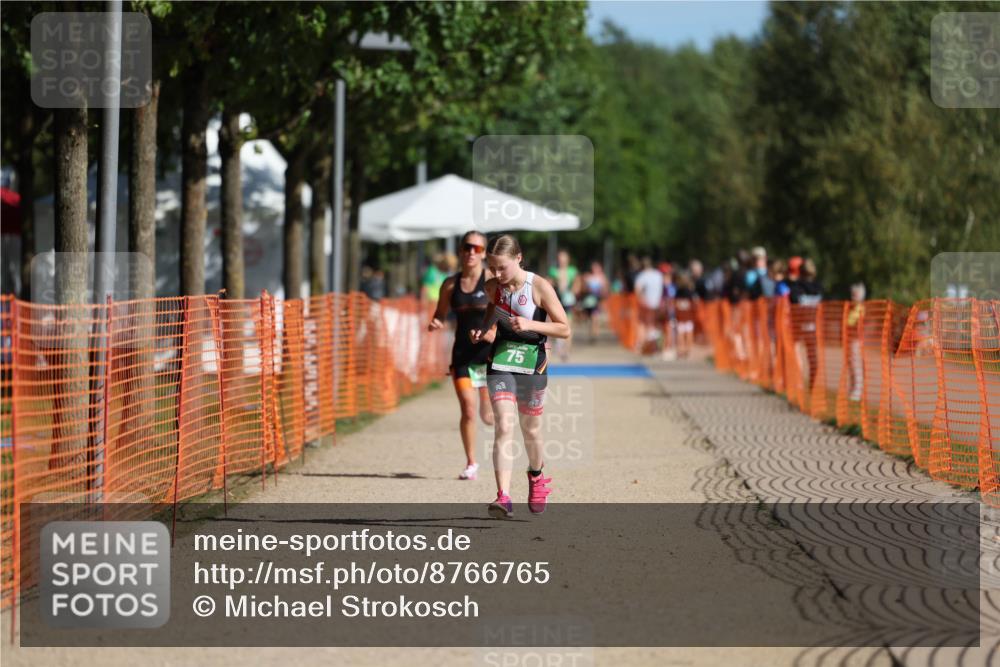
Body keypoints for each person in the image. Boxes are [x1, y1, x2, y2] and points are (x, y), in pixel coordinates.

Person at [470, 234, 571, 519]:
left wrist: (530, 324)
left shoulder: (539, 287)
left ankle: (536, 475)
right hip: (501, 360)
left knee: (531, 430)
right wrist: (483, 331)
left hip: (532, 363)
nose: (497, 274)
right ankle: (503, 496)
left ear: (519, 258)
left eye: (502, 267)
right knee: (504, 425)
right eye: (492, 268)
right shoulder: (493, 287)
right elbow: (492, 314)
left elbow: (564, 329)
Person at [428, 231, 496, 481]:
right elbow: (440, 314)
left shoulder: (492, 280)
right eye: (467, 247)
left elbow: (505, 312)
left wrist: (493, 332)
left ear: (484, 254)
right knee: (468, 409)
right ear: (460, 250)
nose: (471, 253)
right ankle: (471, 463)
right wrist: (436, 322)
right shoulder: (450, 285)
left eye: (477, 249)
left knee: (488, 417)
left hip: (488, 356)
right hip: (462, 356)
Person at [548, 250, 580, 362]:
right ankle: (550, 349)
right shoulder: (553, 271)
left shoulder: (572, 271)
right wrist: (557, 283)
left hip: (568, 301)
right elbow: (548, 284)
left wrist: (572, 292)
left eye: (564, 258)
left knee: (568, 326)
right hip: (556, 301)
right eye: (560, 258)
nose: (562, 260)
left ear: (568, 259)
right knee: (551, 324)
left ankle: (566, 351)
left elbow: (577, 285)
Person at [633, 257, 663, 354]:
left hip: (646, 304)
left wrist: (642, 300)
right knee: (654, 325)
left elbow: (637, 290)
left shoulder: (642, 275)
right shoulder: (658, 274)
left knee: (644, 324)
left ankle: (643, 345)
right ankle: (653, 347)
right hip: (657, 304)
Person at [579, 261, 608, 344]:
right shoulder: (588, 277)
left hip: (597, 300)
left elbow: (605, 290)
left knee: (595, 318)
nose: (595, 269)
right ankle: (591, 333)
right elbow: (582, 288)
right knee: (589, 319)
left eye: (596, 267)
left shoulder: (602, 278)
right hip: (588, 301)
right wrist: (586, 287)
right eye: (594, 268)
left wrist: (602, 295)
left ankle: (594, 334)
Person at [674, 272, 696, 359]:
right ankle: (686, 350)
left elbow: (676, 303)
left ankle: (683, 350)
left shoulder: (679, 291)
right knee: (686, 333)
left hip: (683, 316)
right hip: (686, 316)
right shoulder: (689, 292)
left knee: (682, 333)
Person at [659, 262, 677, 360]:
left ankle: (668, 348)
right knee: (664, 330)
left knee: (669, 329)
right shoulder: (663, 286)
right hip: (664, 310)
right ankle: (665, 348)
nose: (665, 278)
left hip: (670, 311)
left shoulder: (671, 286)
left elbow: (671, 299)